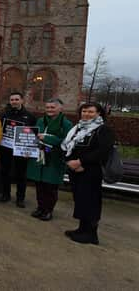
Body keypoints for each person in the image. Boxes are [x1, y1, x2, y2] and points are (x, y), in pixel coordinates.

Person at [62, 102, 114, 245]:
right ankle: (81, 229)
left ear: (99, 114)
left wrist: (81, 162)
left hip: (90, 171)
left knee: (91, 202)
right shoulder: (77, 128)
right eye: (84, 111)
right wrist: (69, 162)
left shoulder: (103, 130)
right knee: (80, 200)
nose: (86, 114)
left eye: (91, 112)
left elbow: (103, 151)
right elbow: (68, 145)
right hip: (75, 170)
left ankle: (91, 234)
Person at [28, 99, 72, 221]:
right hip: (39, 156)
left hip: (54, 159)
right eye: (48, 107)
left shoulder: (66, 124)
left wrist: (48, 138)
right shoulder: (41, 121)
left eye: (52, 107)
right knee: (39, 185)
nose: (49, 110)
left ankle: (48, 210)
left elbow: (67, 142)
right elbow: (33, 135)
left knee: (50, 186)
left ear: (60, 109)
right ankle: (40, 207)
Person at [0, 91, 37, 207]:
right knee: (5, 172)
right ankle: (6, 194)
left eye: (16, 99)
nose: (14, 102)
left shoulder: (30, 116)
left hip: (21, 150)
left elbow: (33, 134)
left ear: (22, 100)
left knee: (21, 174)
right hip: (5, 148)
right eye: (12, 100)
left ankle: (20, 198)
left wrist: (30, 150)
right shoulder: (4, 114)